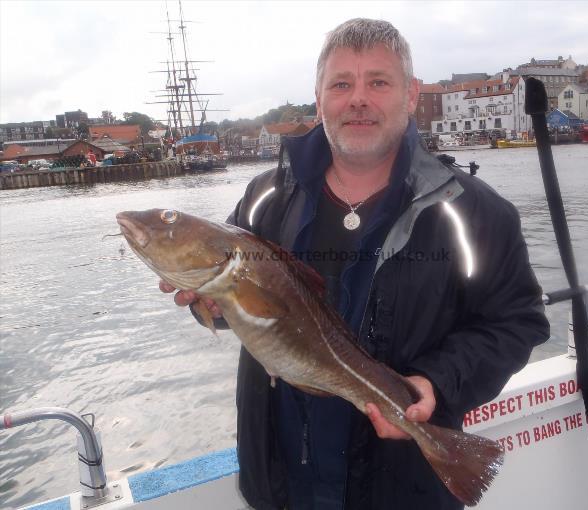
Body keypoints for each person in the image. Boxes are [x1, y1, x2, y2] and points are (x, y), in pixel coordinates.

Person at [161, 18, 549, 510]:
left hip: (403, 490)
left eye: (379, 82)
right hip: (284, 487)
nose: (358, 99)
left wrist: (435, 382)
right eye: (341, 84)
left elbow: (517, 322)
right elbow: (250, 310)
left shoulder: (473, 213)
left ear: (410, 97)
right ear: (319, 100)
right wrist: (210, 305)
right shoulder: (264, 203)